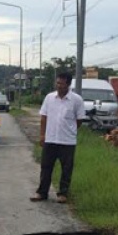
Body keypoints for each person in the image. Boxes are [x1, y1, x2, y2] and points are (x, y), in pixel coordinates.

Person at [31, 72, 86, 203]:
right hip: (50, 139)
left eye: (61, 83)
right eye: (57, 82)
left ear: (68, 84)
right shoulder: (49, 98)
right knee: (46, 167)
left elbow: (79, 120)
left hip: (67, 141)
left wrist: (69, 130)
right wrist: (42, 135)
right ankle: (42, 192)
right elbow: (44, 117)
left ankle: (63, 193)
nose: (58, 85)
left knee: (66, 168)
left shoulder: (76, 100)